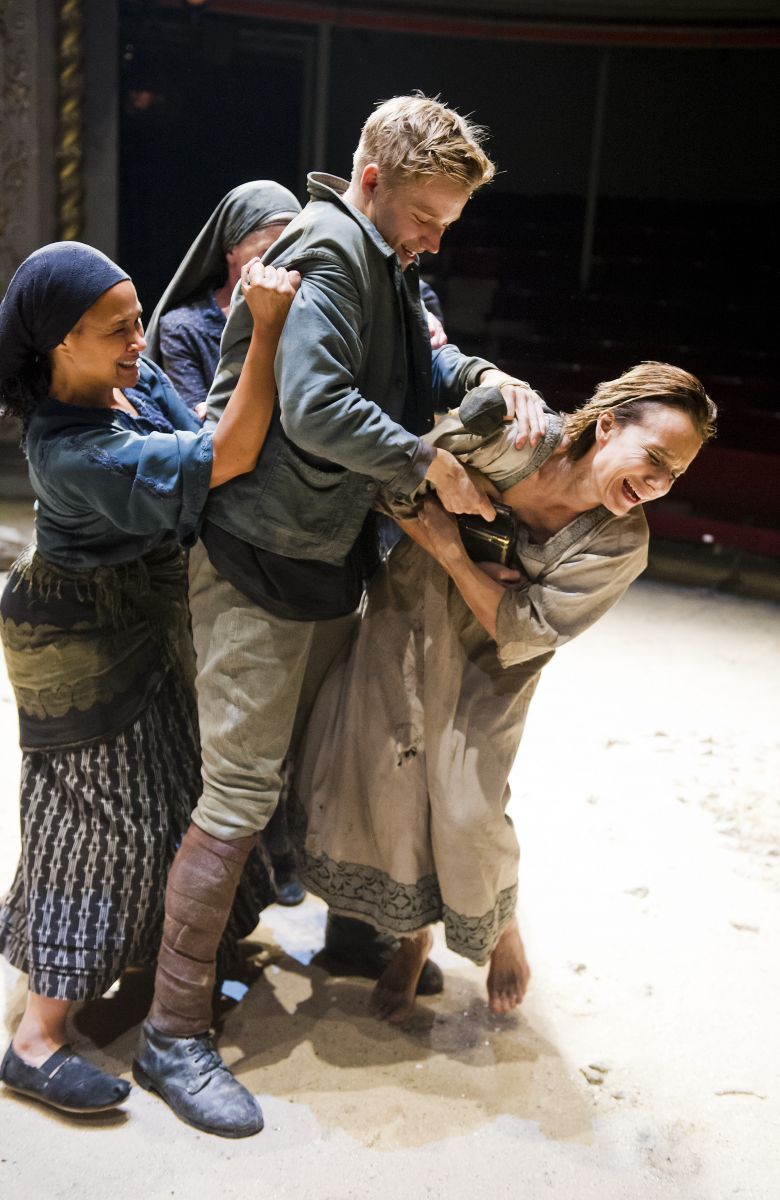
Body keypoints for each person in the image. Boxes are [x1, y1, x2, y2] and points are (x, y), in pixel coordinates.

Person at [133, 93, 548, 1139]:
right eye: (425, 215)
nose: (436, 236)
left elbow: (429, 359)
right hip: (258, 564)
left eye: (449, 221)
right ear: (372, 182)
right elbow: (315, 403)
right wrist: (427, 465)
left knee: (308, 767)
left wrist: (489, 379)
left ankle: (349, 931)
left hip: (321, 563)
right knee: (235, 792)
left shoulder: (391, 264)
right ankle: (173, 1031)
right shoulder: (328, 247)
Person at [294, 362, 717, 1023]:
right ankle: (411, 942)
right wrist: (440, 518)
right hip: (409, 613)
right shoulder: (511, 436)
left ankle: (501, 924)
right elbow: (392, 479)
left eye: (676, 474)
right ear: (607, 426)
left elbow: (524, 630)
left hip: (494, 661)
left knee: (467, 807)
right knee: (395, 787)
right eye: (655, 458)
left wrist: (453, 551)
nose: (659, 485)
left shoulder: (620, 545)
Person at [0, 241, 299, 1116]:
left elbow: (201, 429)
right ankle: (35, 1037)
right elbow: (227, 455)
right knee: (99, 818)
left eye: (138, 321)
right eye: (117, 329)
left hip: (146, 616)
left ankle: (153, 958)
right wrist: (269, 329)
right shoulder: (71, 447)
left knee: (172, 787)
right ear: (59, 343)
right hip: (80, 640)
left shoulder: (119, 384)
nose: (142, 339)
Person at [146, 180, 306, 906]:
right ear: (232, 251)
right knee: (224, 710)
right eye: (264, 246)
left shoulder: (307, 320)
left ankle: (282, 849)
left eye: (290, 245)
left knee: (284, 711)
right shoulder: (185, 329)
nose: (278, 260)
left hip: (283, 529)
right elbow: (201, 436)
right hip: (211, 530)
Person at [145, 179, 301, 415]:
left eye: (292, 252)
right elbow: (198, 422)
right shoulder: (185, 327)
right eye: (268, 252)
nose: (282, 265)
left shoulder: (308, 313)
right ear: (231, 251)